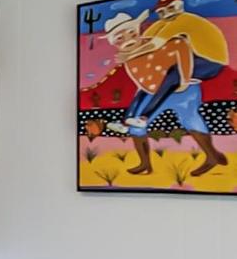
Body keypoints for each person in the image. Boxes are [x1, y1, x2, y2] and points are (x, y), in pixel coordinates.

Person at [97, 10, 228, 176]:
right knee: (135, 127)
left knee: (192, 120)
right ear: (114, 42)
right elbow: (142, 81)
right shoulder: (126, 57)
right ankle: (145, 164)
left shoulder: (154, 43)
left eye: (131, 32)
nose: (128, 39)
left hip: (183, 90)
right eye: (120, 38)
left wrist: (185, 79)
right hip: (154, 92)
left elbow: (181, 47)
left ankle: (212, 156)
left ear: (137, 30)